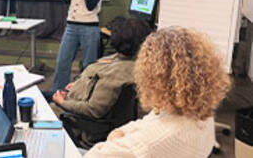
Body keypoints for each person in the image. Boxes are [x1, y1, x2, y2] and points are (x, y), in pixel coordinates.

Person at [84, 27, 231, 158]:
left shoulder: (147, 144)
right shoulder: (202, 116)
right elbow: (148, 121)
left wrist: (115, 137)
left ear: (153, 76)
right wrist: (120, 134)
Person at [48, 18, 151, 147]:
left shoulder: (116, 75)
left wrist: (62, 102)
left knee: (39, 99)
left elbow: (93, 110)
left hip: (78, 120)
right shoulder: (132, 64)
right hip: (78, 96)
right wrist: (81, 84)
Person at [52, 0, 106, 91]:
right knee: (62, 62)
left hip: (89, 27)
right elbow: (67, 0)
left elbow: (90, 5)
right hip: (71, 26)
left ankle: (85, 96)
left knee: (88, 66)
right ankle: (57, 94)